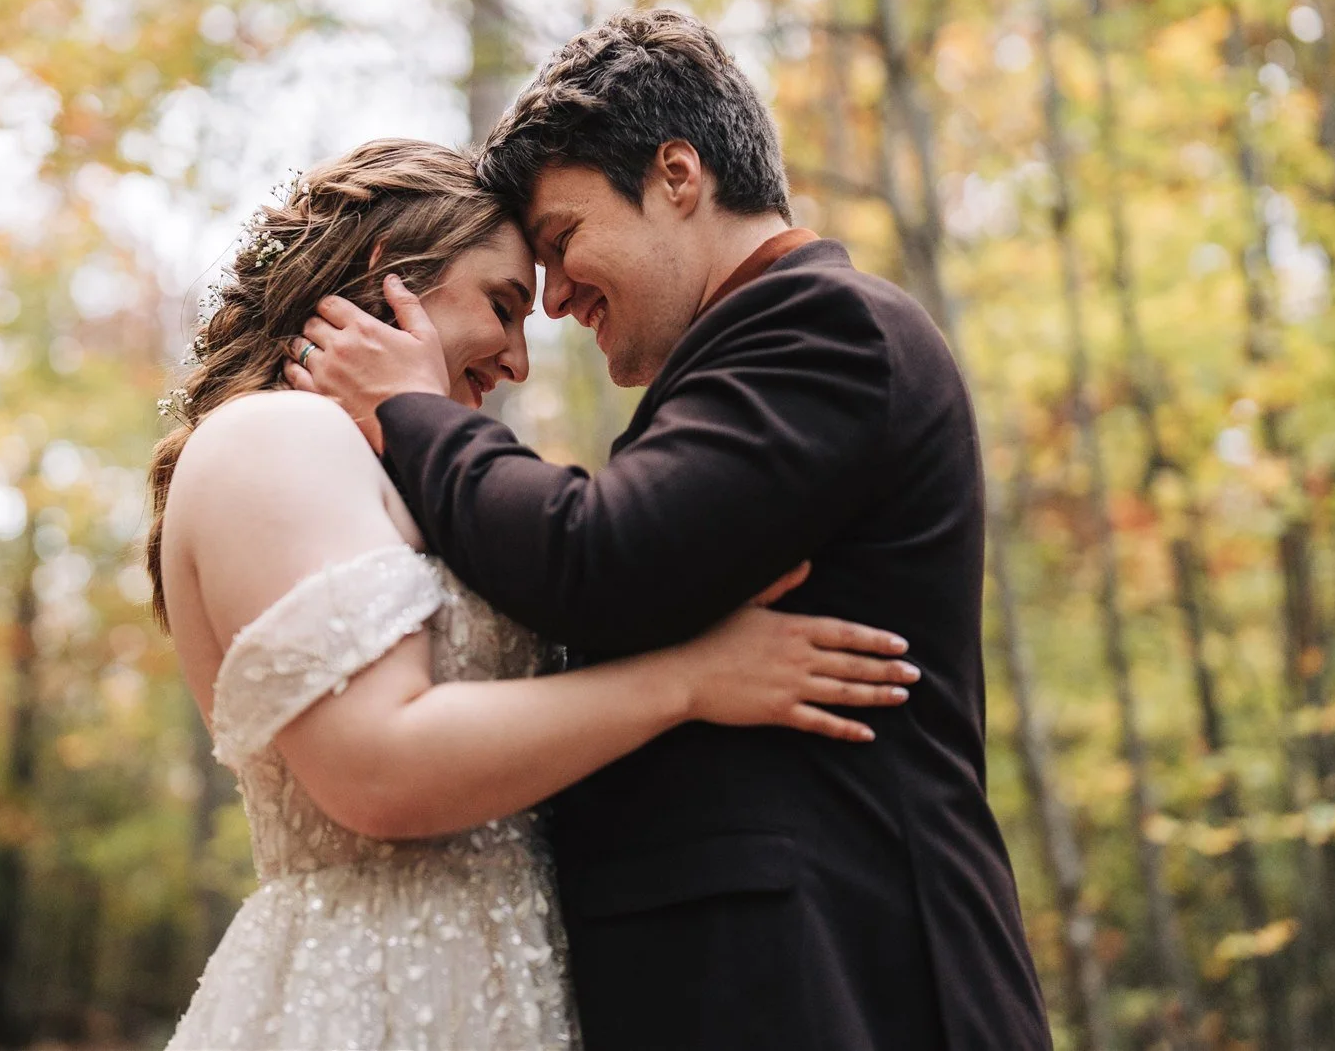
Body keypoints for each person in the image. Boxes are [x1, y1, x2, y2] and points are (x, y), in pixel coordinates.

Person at [288, 11, 1054, 1050]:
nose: (554, 301)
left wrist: (411, 413)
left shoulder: (826, 327)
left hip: (844, 980)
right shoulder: (748, 354)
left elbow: (601, 559)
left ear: (677, 175)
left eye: (561, 244)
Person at [150, 138, 921, 1050]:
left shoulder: (388, 479)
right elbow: (377, 770)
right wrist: (690, 680)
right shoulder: (277, 437)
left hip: (512, 984)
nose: (517, 359)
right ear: (387, 274)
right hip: (379, 995)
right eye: (504, 306)